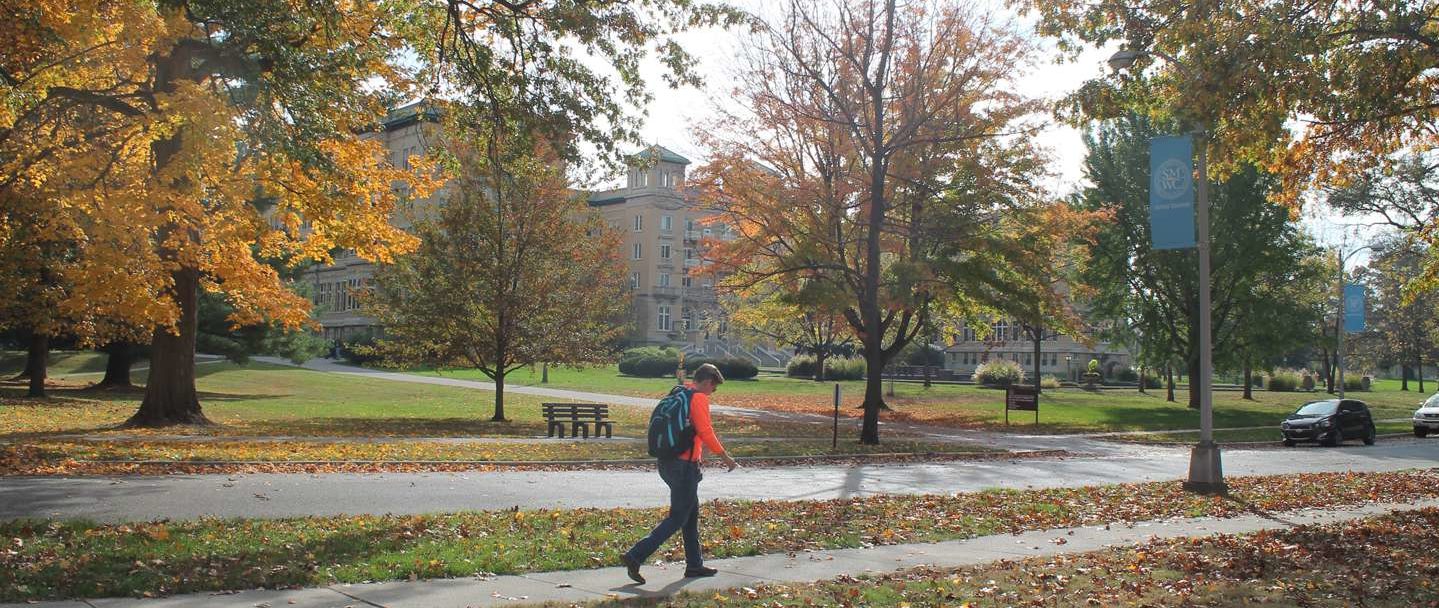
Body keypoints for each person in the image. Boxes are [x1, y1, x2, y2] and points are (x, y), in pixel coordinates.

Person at [621, 363, 738, 584]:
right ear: (708, 382)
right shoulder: (698, 398)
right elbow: (705, 431)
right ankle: (635, 555)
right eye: (714, 388)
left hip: (667, 462)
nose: (713, 392)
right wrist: (725, 457)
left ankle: (694, 565)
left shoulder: (680, 392)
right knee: (678, 517)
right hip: (684, 466)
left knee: (690, 516)